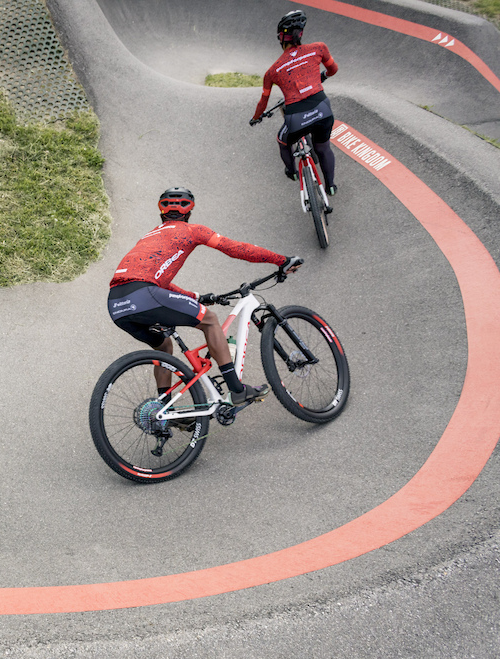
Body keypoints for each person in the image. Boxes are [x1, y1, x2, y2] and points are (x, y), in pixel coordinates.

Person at [107, 187, 303, 405]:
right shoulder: (192, 230)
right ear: (189, 212)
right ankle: (237, 390)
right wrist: (281, 260)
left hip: (117, 304)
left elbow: (158, 281)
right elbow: (236, 248)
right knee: (209, 321)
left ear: (161, 211)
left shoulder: (150, 235)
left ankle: (163, 410)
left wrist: (196, 297)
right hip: (145, 293)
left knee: (164, 347)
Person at [251, 9, 339, 195]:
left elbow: (263, 102)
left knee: (282, 141)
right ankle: (330, 185)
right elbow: (333, 70)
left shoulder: (272, 71)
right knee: (323, 147)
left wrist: (256, 118)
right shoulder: (319, 48)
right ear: (301, 34)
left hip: (296, 116)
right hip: (322, 108)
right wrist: (322, 76)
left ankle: (291, 172)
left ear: (281, 39)